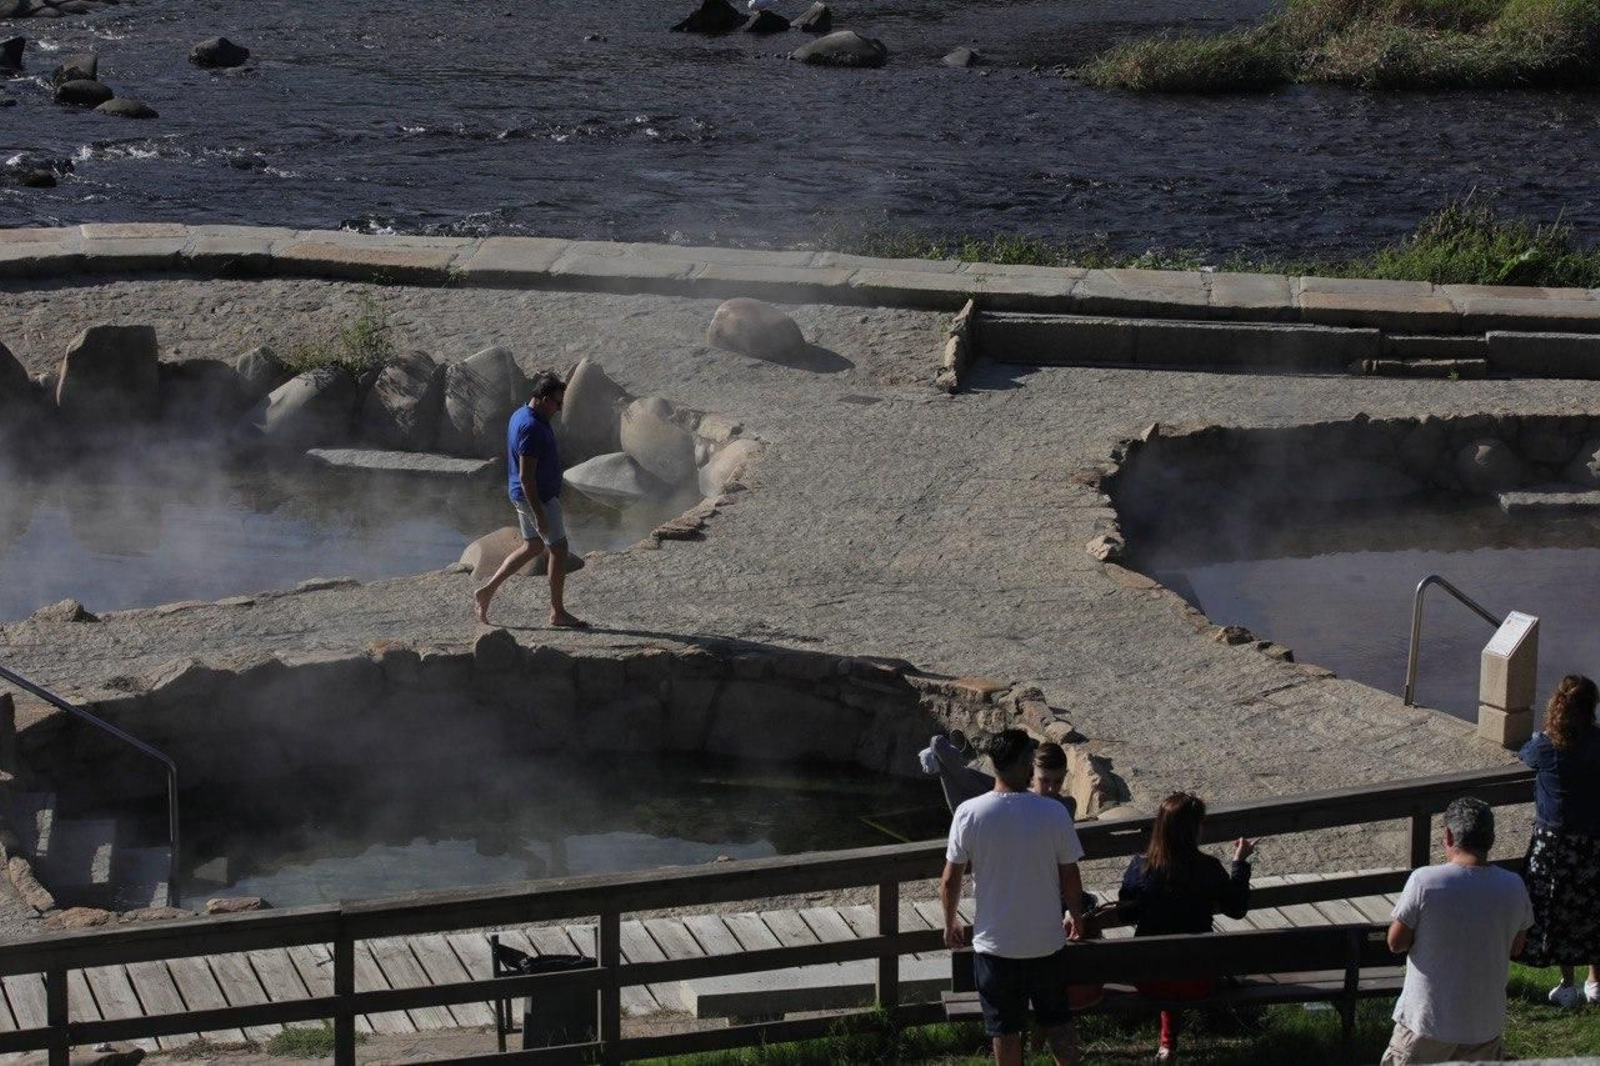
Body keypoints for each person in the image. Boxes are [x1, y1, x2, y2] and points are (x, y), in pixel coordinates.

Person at [941, 729, 1085, 1066]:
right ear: (1025, 765)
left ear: (993, 764)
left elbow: (950, 879)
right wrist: (1076, 914)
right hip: (1046, 942)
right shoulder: (1054, 814)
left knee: (1005, 1030)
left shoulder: (969, 813)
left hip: (996, 945)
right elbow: (1070, 874)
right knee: (1057, 1021)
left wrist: (950, 923)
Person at [1383, 797, 1532, 1065]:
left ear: (1449, 836)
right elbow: (1516, 947)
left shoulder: (1426, 881)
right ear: (1491, 838)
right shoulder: (1513, 886)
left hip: (1427, 1020)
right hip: (1484, 1022)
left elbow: (1396, 942)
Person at [1116, 792, 1253, 1061]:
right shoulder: (1209, 868)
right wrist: (1240, 863)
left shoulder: (1140, 868)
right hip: (1198, 980)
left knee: (1165, 958)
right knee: (1185, 958)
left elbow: (1124, 915)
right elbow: (1237, 909)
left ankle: (1167, 1043)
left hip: (1149, 980)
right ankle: (1168, 1040)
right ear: (1195, 829)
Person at [473, 374, 586, 628]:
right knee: (559, 549)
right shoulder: (532, 427)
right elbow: (526, 476)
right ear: (544, 400)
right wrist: (539, 514)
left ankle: (487, 591)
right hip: (538, 499)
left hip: (524, 497)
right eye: (557, 404)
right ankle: (557, 612)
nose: (559, 409)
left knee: (533, 547)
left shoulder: (521, 414)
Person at [1517, 673, 1600, 1007]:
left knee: (1556, 909)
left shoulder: (1545, 745)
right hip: (1594, 841)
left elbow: (1525, 754)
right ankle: (1595, 982)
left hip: (1554, 845)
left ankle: (1567, 985)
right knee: (1595, 908)